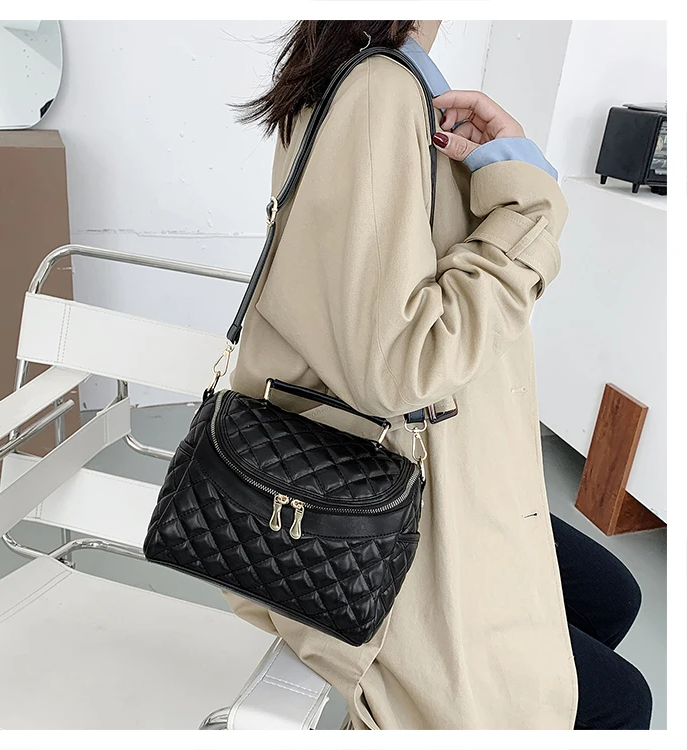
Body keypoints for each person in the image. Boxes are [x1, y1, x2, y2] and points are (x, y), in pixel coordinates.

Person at [223, 20, 652, 730]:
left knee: (612, 595)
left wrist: (496, 168)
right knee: (622, 700)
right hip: (398, 478)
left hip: (433, 450)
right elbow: (398, 361)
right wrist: (528, 204)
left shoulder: (354, 68)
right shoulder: (378, 88)